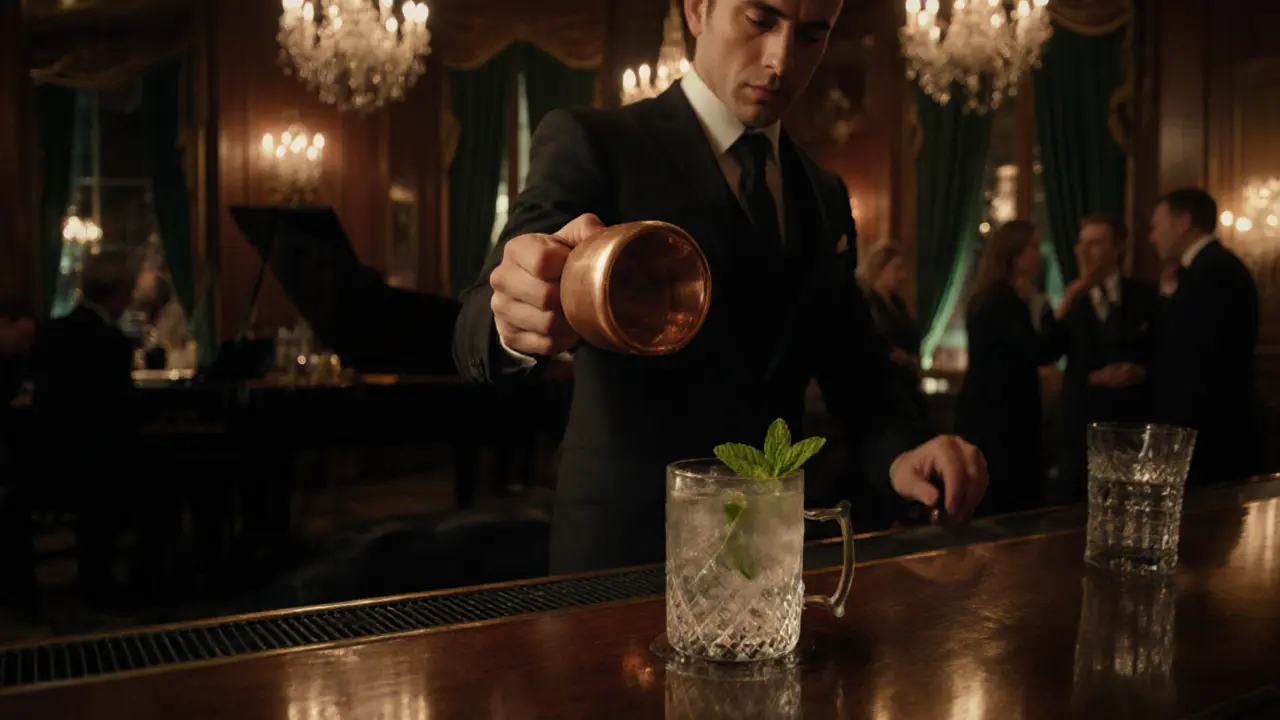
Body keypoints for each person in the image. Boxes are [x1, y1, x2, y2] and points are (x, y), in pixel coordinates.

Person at [453, 0, 988, 573]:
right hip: (626, 552)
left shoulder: (826, 194)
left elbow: (854, 367)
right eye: (760, 20)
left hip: (767, 552)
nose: (781, 60)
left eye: (812, 34)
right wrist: (513, 317)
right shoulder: (594, 142)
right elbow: (474, 326)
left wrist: (906, 450)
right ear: (698, 11)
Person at [1041, 215, 1161, 503]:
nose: (1084, 252)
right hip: (1081, 427)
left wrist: (1141, 372)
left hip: (1131, 424)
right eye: (1081, 244)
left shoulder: (1146, 296)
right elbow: (1046, 352)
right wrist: (1067, 302)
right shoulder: (1071, 300)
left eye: (1094, 243)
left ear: (1117, 247)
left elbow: (1165, 353)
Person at [1146, 188, 1260, 485]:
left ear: (1184, 222)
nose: (1152, 237)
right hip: (1206, 429)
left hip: (1207, 434)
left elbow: (1193, 357)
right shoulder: (1208, 268)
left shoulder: (1212, 272)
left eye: (1157, 226)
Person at [956, 220, 1057, 515]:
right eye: (1033, 247)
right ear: (1014, 253)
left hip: (989, 412)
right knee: (1006, 504)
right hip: (1001, 418)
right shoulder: (1002, 301)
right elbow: (1038, 351)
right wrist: (1058, 313)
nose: (1039, 254)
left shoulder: (991, 296)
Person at [859, 241, 923, 411]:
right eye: (897, 269)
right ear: (881, 269)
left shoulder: (899, 306)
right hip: (879, 392)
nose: (903, 276)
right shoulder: (866, 304)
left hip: (905, 390)